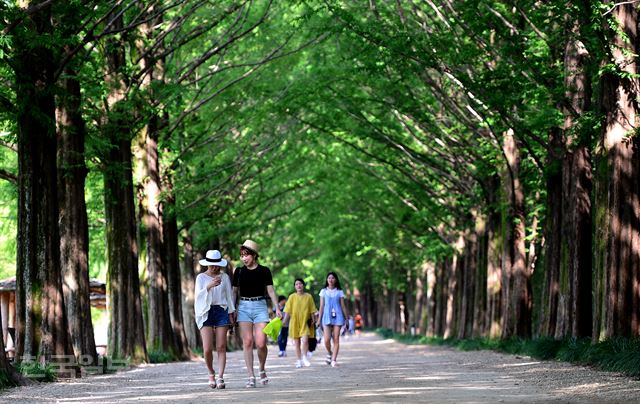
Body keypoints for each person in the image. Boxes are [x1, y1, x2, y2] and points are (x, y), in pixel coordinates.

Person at [232, 239, 282, 388]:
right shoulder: (239, 271)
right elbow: (234, 292)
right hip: (243, 307)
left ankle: (261, 368)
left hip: (260, 306)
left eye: (246, 255)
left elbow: (271, 291)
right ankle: (250, 376)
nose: (244, 258)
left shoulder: (264, 271)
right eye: (241, 256)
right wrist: (232, 309)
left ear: (254, 255)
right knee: (247, 342)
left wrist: (277, 308)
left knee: (261, 343)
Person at [193, 249, 235, 389]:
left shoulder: (225, 277)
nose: (214, 267)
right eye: (211, 264)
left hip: (221, 311)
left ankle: (221, 377)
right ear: (207, 264)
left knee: (221, 346)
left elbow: (229, 297)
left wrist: (231, 313)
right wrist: (209, 286)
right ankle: (211, 372)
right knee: (207, 348)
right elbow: (197, 297)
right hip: (206, 312)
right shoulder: (201, 278)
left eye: (217, 264)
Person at [283, 278, 317, 368]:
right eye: (297, 284)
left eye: (300, 284)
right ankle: (298, 360)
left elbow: (312, 310)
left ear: (303, 285)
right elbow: (287, 311)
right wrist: (283, 322)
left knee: (305, 340)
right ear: (295, 286)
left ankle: (305, 357)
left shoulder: (308, 296)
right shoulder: (292, 297)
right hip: (294, 322)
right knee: (297, 343)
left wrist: (314, 320)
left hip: (305, 322)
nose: (299, 285)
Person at [317, 272, 348, 368]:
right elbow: (321, 306)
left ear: (336, 280)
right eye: (329, 278)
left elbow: (343, 306)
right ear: (327, 280)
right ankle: (330, 353)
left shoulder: (339, 292)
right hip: (326, 317)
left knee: (336, 339)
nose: (330, 280)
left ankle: (333, 360)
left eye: (333, 278)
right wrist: (319, 320)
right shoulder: (323, 291)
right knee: (326, 339)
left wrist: (346, 318)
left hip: (338, 316)